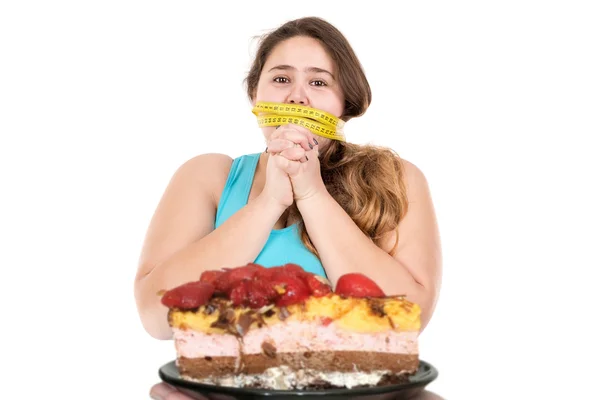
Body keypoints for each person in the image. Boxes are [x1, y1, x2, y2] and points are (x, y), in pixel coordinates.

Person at [135, 16, 443, 400]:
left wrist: (312, 195)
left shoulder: (395, 178)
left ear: (343, 102)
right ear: (255, 95)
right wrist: (269, 202)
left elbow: (407, 319)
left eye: (319, 82)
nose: (298, 98)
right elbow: (155, 316)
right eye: (281, 79)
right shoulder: (208, 176)